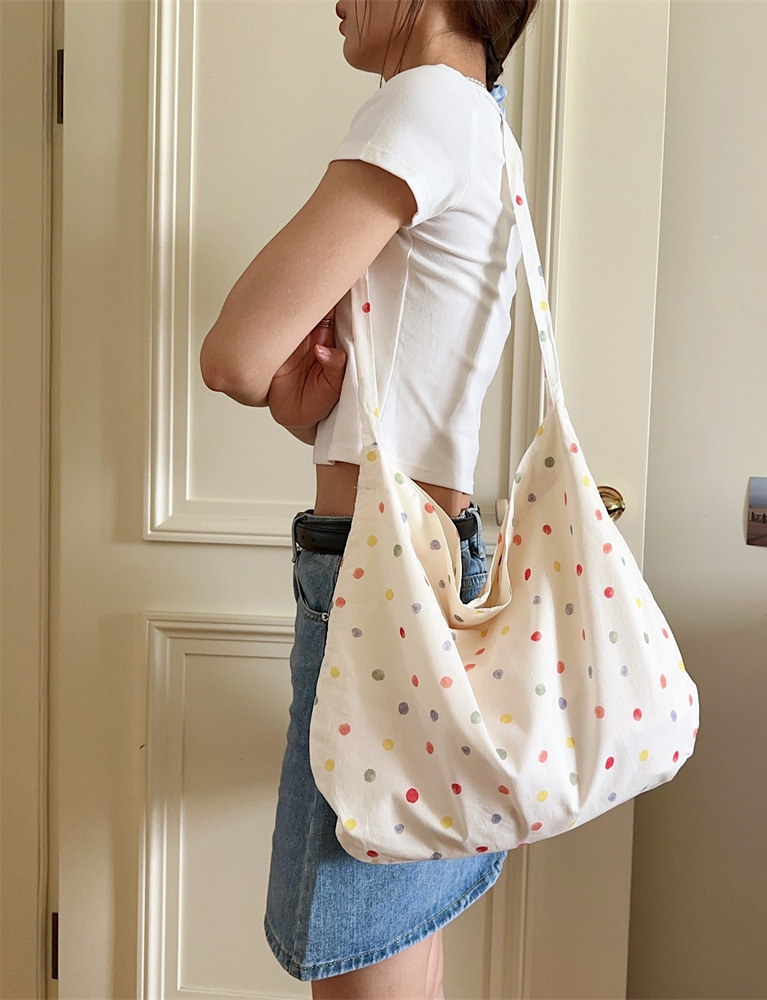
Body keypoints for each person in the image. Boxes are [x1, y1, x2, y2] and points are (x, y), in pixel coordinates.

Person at [199, 1, 539, 996]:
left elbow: (233, 356)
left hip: (378, 577)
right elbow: (403, 382)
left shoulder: (424, 104)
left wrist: (270, 382)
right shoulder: (480, 119)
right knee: (400, 931)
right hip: (427, 556)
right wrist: (308, 413)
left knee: (358, 947)